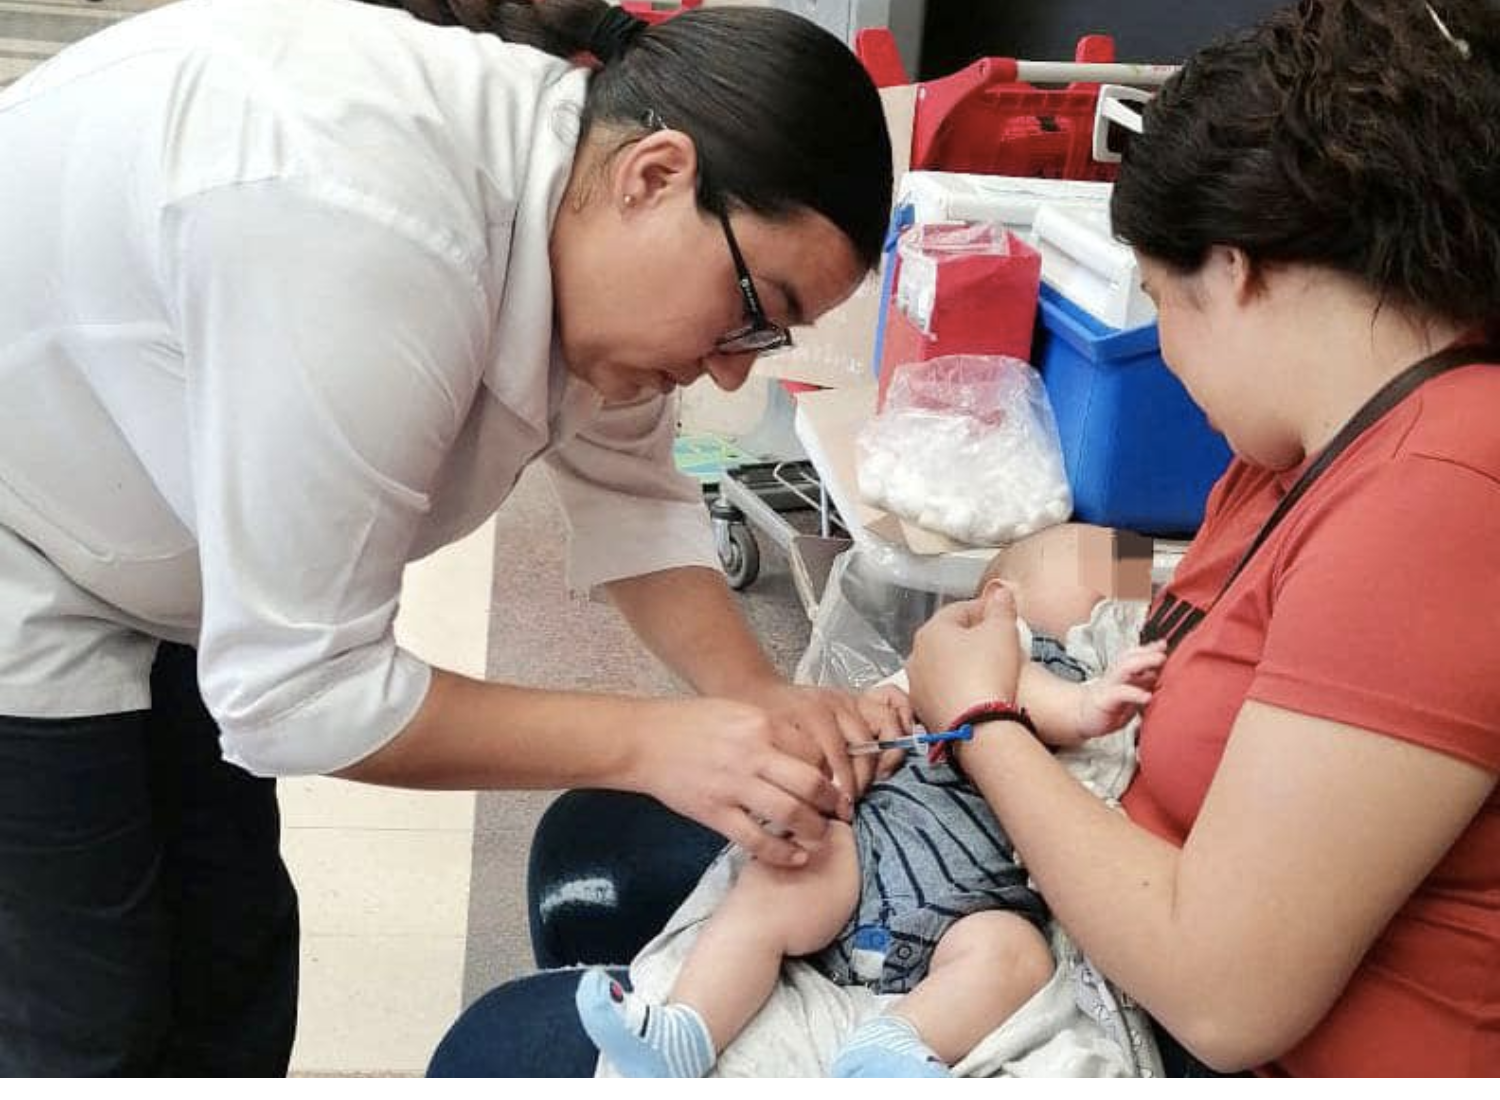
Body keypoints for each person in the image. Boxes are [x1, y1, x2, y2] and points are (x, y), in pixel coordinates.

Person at [431, 0, 1500, 1077]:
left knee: (509, 1044)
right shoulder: (1303, 453)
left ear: (1235, 268)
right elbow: (1220, 598)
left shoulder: (1443, 493)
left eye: (1164, 305)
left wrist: (980, 714)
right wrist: (1082, 572)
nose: (1170, 357)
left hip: (1167, 1012)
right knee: (596, 841)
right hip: (1077, 875)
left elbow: (1228, 994)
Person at [0, 0, 896, 1076]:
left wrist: (752, 694)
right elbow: (298, 696)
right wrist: (658, 742)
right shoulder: (362, 230)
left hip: (151, 531)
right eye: (752, 308)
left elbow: (633, 490)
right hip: (28, 545)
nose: (733, 369)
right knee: (81, 999)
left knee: (228, 952)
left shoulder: (582, 211)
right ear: (654, 175)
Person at [570, 554, 1166, 1079]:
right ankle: (689, 1026)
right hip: (879, 853)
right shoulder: (1012, 653)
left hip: (977, 900)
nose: (1108, 599)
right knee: (780, 880)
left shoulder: (1043, 666)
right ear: (996, 600)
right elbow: (1035, 702)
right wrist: (1085, 703)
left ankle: (894, 1042)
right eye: (1093, 581)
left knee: (1013, 956)